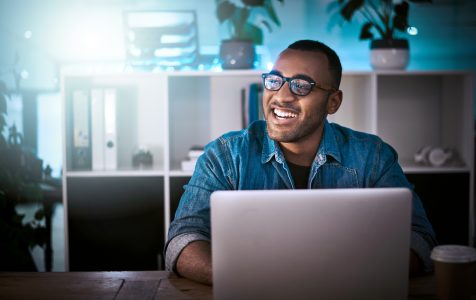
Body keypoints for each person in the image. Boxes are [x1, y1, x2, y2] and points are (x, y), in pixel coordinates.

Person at [165, 39, 437, 285]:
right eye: (274, 80)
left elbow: (419, 238)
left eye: (301, 85)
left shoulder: (373, 157)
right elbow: (183, 239)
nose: (281, 96)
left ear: (333, 101)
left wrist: (345, 276)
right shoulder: (224, 156)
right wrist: (242, 278)